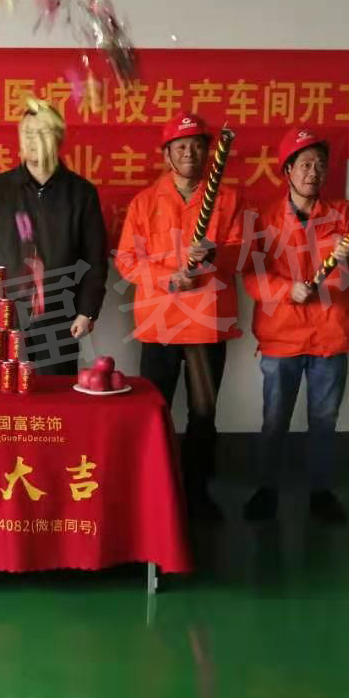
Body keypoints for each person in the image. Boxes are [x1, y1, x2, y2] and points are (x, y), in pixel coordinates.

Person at [116, 113, 247, 522]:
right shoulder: (144, 203)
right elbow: (126, 261)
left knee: (203, 414)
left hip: (206, 325)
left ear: (208, 152)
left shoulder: (229, 199)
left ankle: (197, 495)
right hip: (159, 324)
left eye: (197, 145)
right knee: (153, 414)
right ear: (167, 155)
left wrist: (214, 254)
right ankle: (152, 495)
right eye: (181, 146)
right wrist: (166, 277)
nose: (190, 152)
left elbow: (243, 254)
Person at [242, 128, 349, 525]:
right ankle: (266, 490)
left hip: (331, 333)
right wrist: (287, 290)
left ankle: (321, 492)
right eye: (304, 164)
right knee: (274, 419)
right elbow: (251, 276)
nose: (313, 172)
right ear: (287, 170)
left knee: (324, 420)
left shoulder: (344, 212)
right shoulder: (263, 219)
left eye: (320, 165)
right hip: (282, 335)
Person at [0, 96, 107, 375]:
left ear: (58, 137)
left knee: (54, 397)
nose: (32, 140)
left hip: (60, 316)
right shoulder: (1, 189)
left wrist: (87, 310)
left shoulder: (81, 193)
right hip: (7, 317)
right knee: (7, 393)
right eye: (27, 133)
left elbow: (95, 259)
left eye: (41, 132)